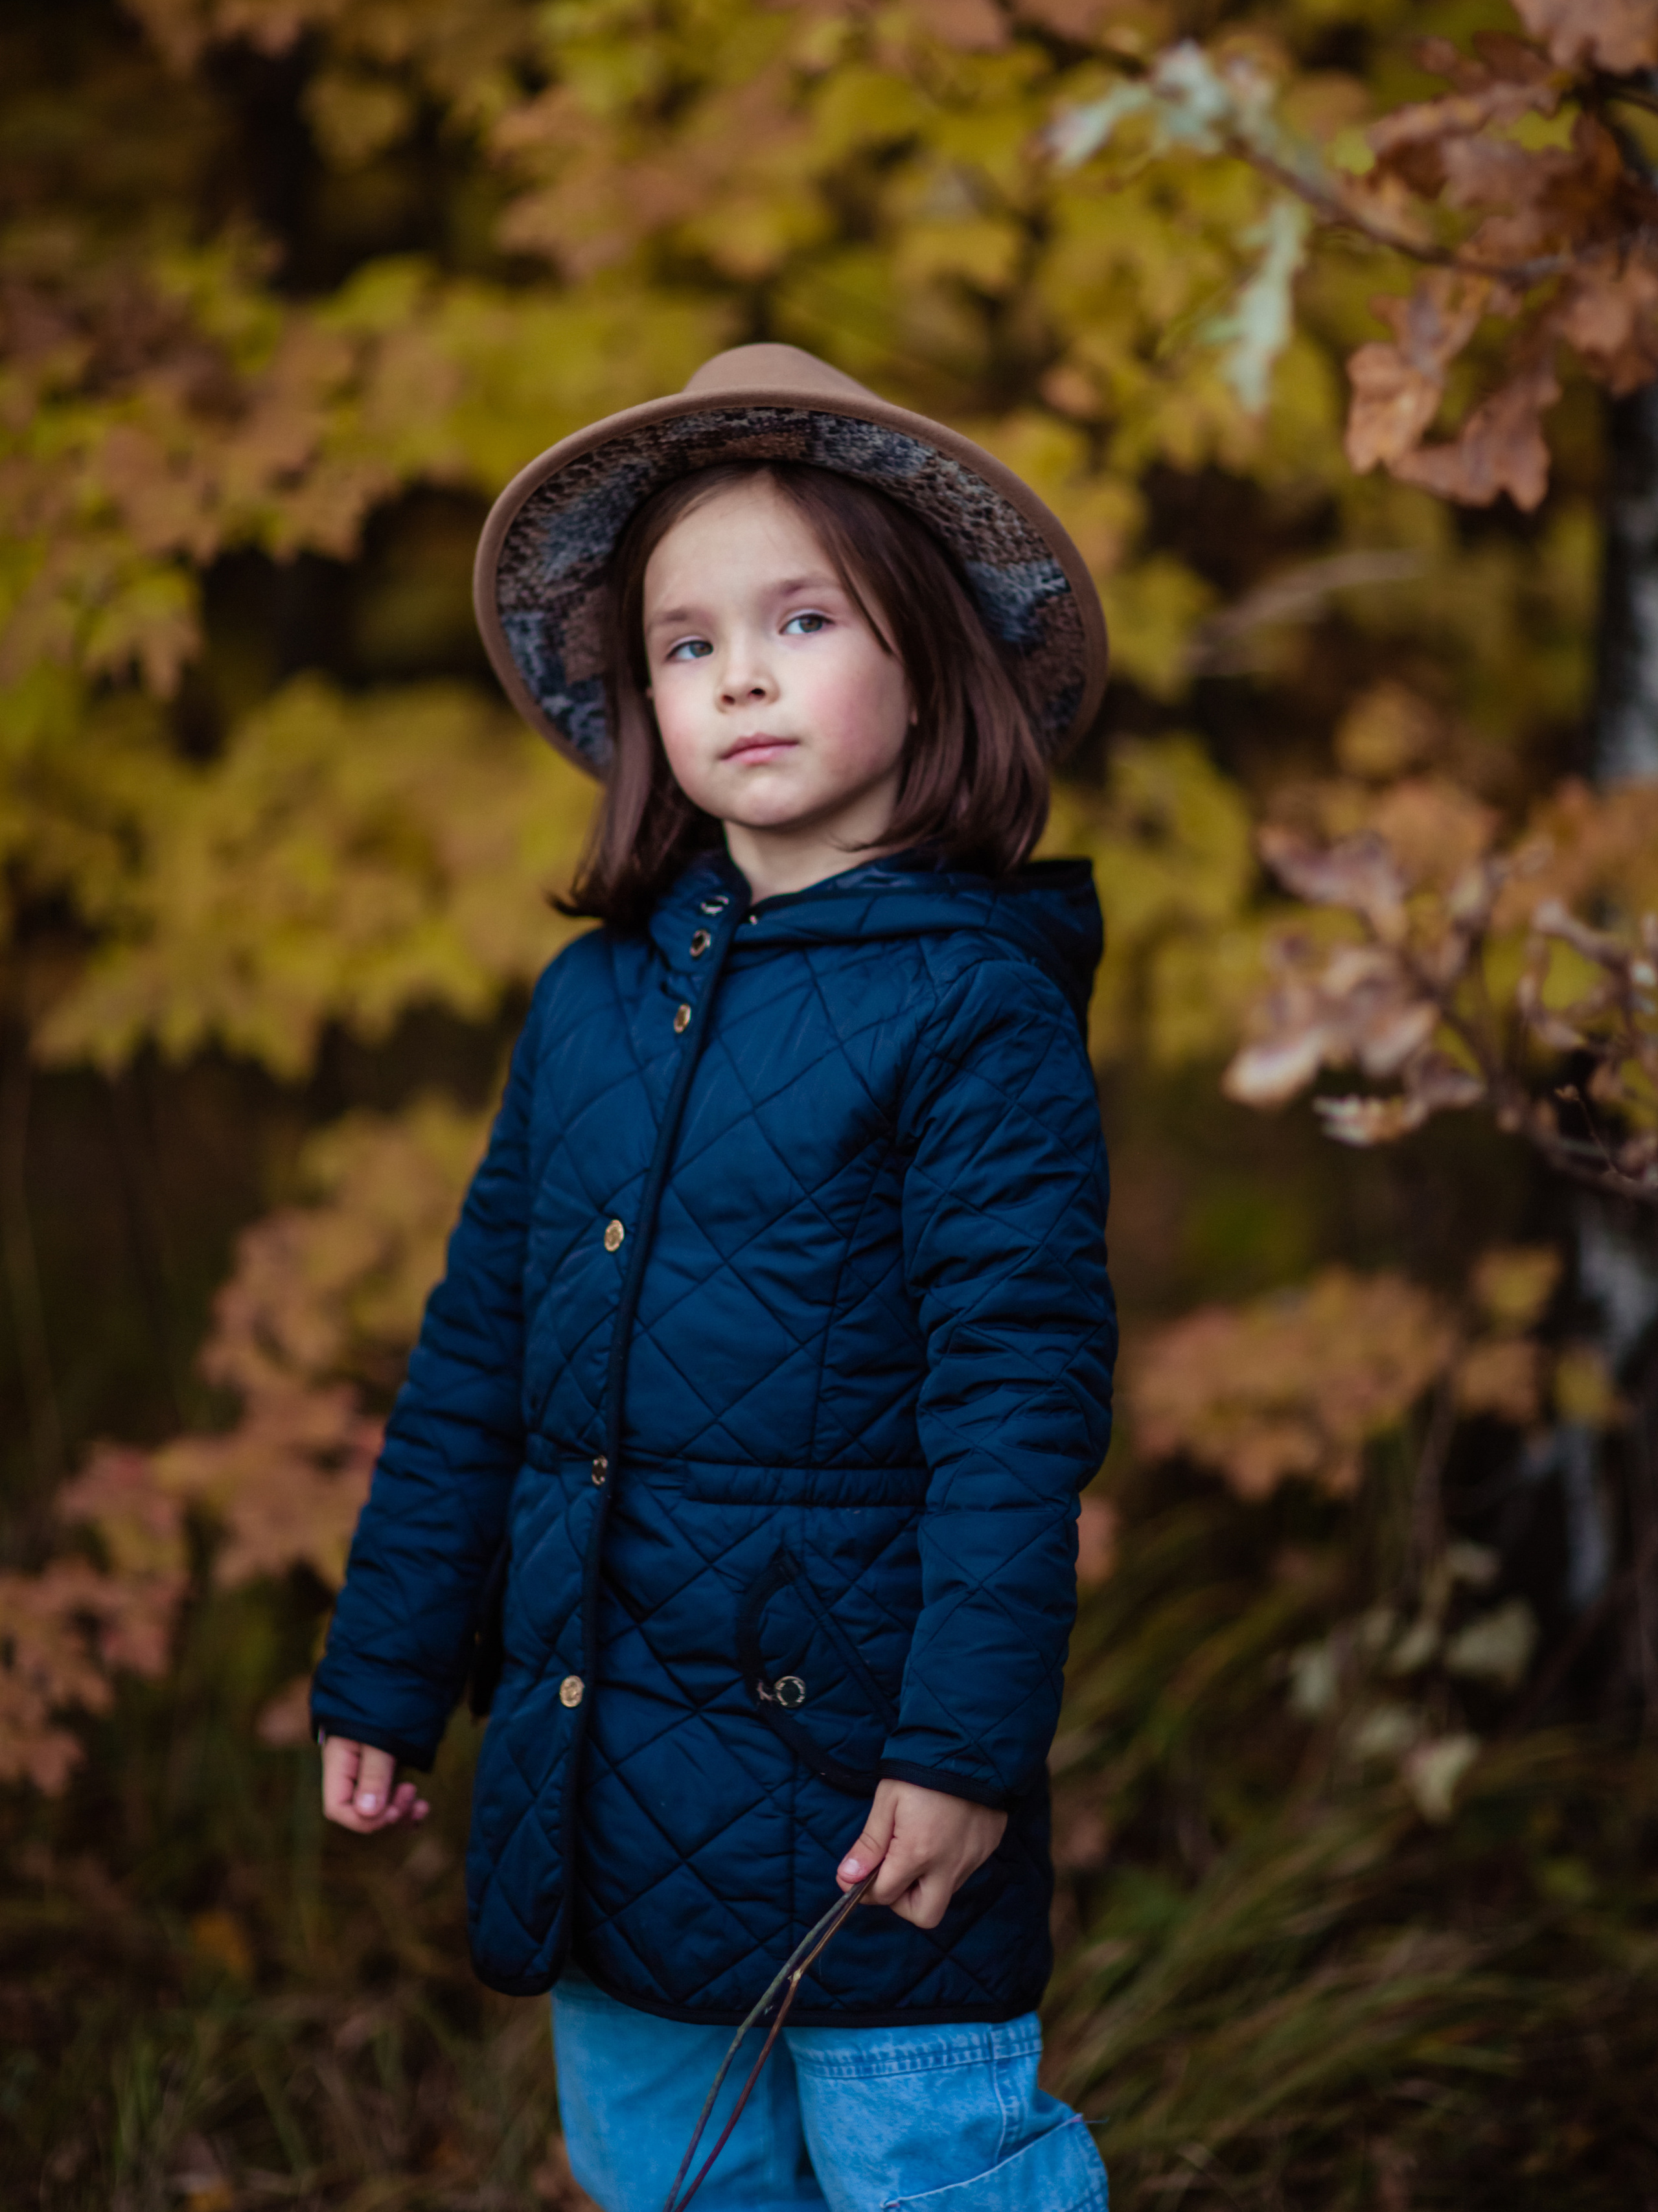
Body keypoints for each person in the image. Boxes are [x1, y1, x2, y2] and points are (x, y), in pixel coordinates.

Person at [310, 345, 1117, 2212]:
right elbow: (476, 1364)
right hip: (604, 1778)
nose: (740, 674)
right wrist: (387, 1669)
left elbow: (1017, 1402)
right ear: (642, 698)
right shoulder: (590, 1004)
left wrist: (963, 1753)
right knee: (671, 2179)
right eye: (687, 643)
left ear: (927, 660)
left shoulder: (971, 1008)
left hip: (861, 1790)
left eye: (800, 620)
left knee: (927, 2171)